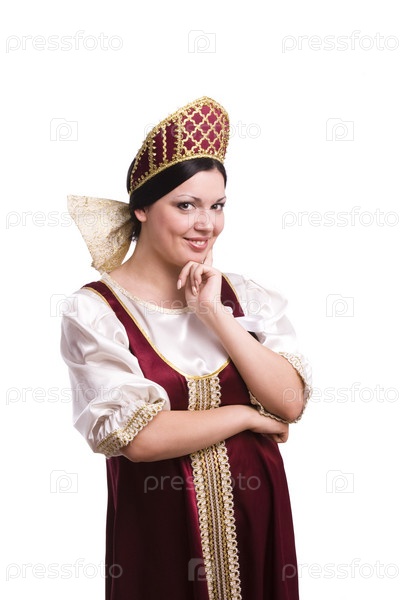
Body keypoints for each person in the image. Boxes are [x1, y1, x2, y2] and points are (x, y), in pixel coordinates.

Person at [61, 96, 312, 600]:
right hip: (161, 534)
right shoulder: (96, 311)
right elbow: (140, 439)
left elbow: (289, 402)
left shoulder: (241, 297)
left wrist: (215, 315)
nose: (206, 224)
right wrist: (246, 416)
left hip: (258, 519)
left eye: (217, 206)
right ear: (141, 209)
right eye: (186, 205)